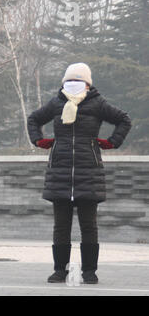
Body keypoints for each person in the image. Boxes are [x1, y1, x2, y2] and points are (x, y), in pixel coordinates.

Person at [27, 63, 131, 284]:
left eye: (78, 81)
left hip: (89, 172)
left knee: (86, 226)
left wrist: (112, 142)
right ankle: (61, 271)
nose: (73, 85)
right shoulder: (57, 102)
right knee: (64, 226)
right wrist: (38, 139)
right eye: (70, 81)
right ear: (65, 82)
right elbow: (33, 119)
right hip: (60, 172)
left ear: (87, 83)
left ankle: (89, 272)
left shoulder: (97, 103)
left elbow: (124, 119)